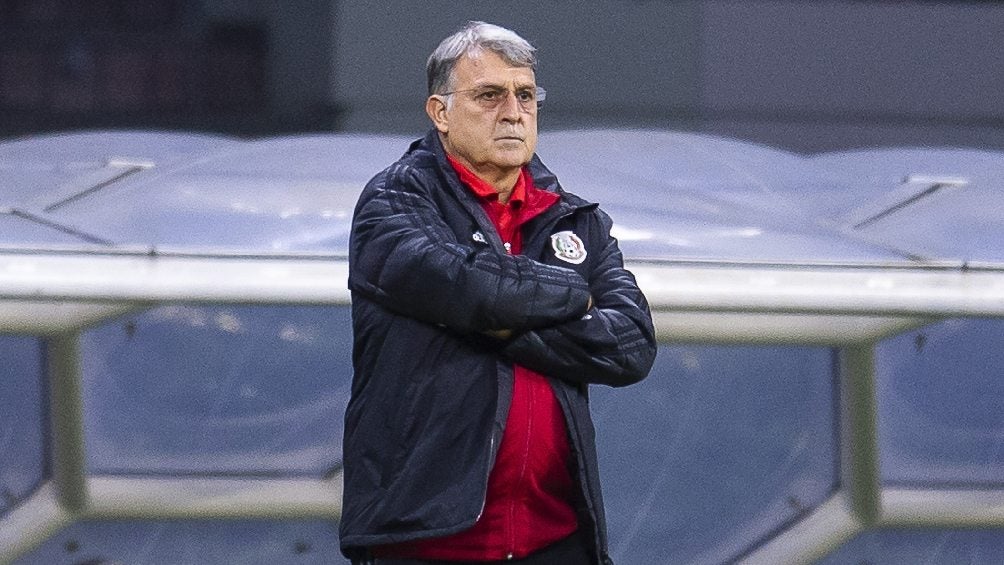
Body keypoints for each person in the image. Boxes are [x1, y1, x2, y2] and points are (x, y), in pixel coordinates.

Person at [341, 21, 657, 565]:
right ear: (440, 112)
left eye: (526, 95)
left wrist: (483, 318)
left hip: (556, 540)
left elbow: (631, 347)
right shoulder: (392, 201)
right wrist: (573, 295)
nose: (513, 112)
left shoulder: (576, 219)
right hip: (424, 543)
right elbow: (469, 288)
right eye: (489, 95)